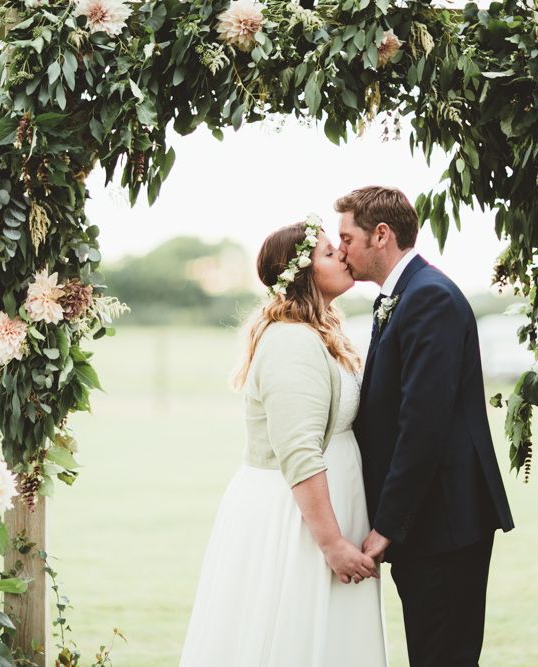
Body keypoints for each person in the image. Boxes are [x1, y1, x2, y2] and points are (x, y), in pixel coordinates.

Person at [179, 215, 387, 667]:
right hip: (298, 521)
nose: (344, 256)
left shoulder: (322, 332)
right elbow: (298, 451)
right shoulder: (292, 342)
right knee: (293, 635)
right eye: (330, 254)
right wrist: (331, 542)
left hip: (327, 508)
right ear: (303, 275)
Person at [336, 186, 515, 667]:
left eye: (346, 237)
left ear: (381, 234)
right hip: (432, 519)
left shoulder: (428, 297)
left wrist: (387, 524)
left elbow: (423, 424)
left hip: (445, 520)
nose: (342, 250)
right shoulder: (404, 295)